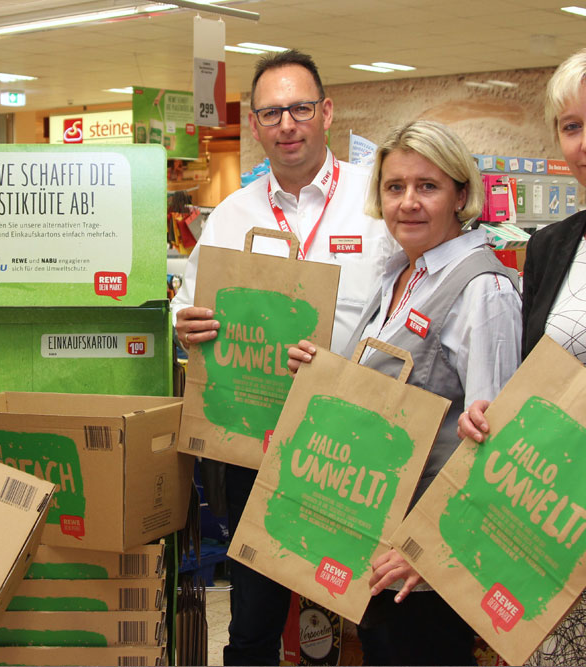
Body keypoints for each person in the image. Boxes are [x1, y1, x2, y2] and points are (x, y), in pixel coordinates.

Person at [170, 49, 393, 665]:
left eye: (299, 108)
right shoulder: (232, 215)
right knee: (254, 616)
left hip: (349, 444)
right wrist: (183, 322)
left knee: (356, 614)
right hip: (254, 441)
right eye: (272, 113)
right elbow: (186, 302)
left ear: (326, 111)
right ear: (257, 125)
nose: (287, 124)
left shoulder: (375, 204)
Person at [288, 120, 522, 665]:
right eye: (395, 188)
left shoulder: (481, 290)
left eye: (428, 186)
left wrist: (432, 555)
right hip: (379, 538)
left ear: (461, 194)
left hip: (422, 566)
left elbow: (495, 444)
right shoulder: (401, 272)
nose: (408, 203)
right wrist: (326, 374)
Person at [458, 48, 586, 666]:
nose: (584, 142)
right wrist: (489, 413)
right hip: (552, 516)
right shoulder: (551, 246)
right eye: (572, 126)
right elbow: (530, 380)